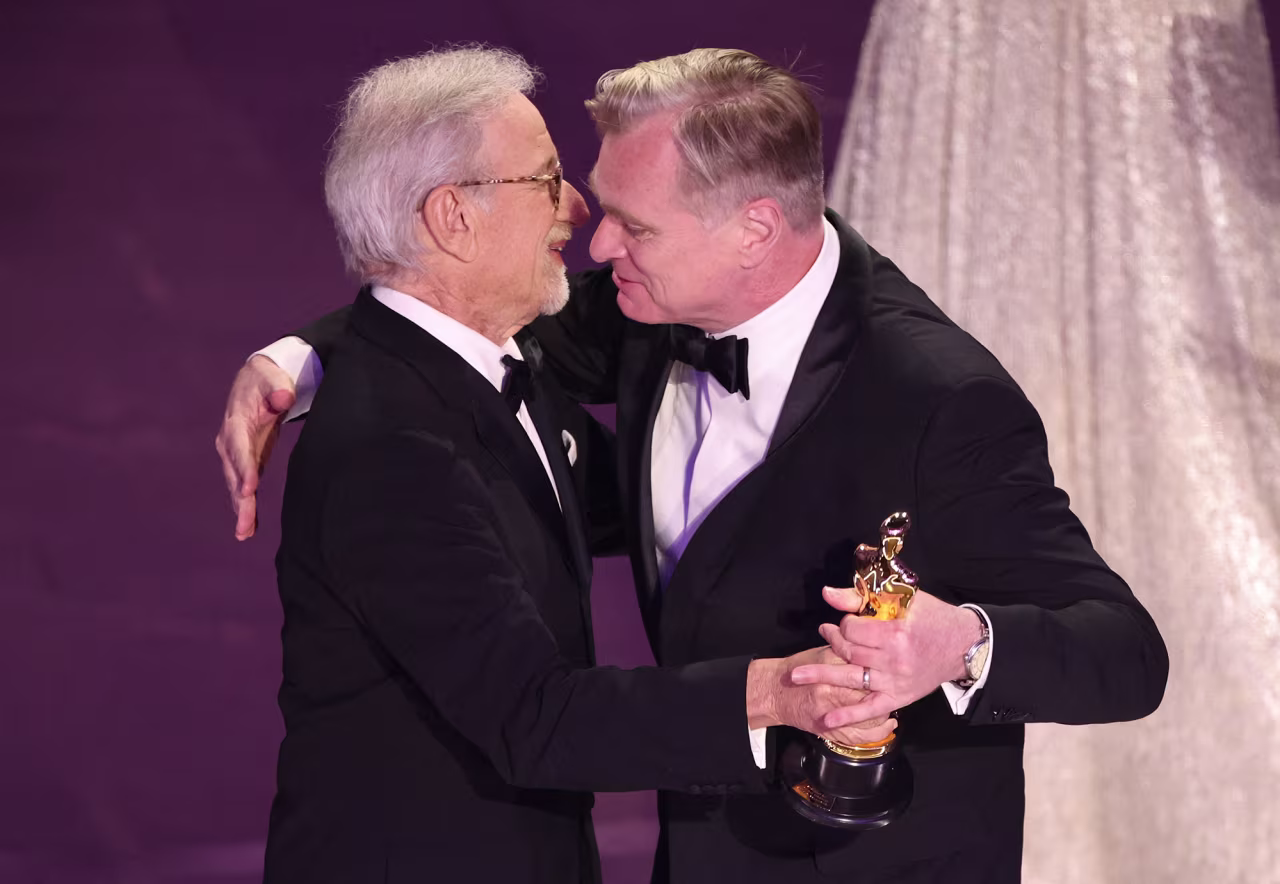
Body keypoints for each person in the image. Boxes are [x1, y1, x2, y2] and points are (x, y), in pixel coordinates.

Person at [220, 49, 1168, 883]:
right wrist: (295, 360)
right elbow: (439, 309)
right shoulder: (648, 304)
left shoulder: (935, 401)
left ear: (754, 229)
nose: (597, 245)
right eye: (575, 193)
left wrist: (960, 643)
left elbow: (1125, 654)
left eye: (636, 226)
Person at [249, 47, 891, 884]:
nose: (579, 210)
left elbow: (641, 499)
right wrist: (776, 693)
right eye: (547, 181)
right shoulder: (394, 449)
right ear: (454, 218)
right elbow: (538, 717)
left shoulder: (485, 375)